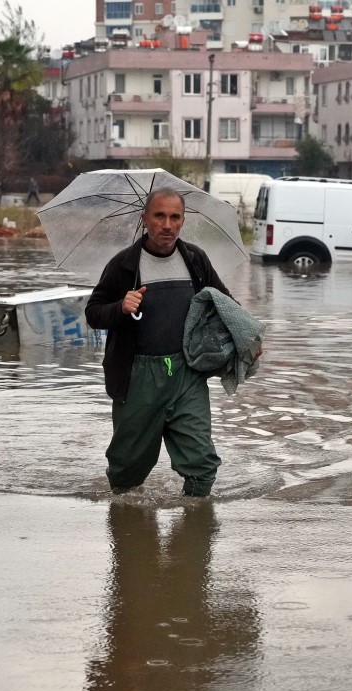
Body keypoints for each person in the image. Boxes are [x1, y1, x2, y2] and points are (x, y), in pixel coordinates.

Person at [85, 188, 232, 498]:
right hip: (137, 376)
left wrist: (247, 340)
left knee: (202, 464)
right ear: (145, 219)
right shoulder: (124, 265)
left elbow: (225, 305)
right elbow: (93, 313)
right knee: (127, 471)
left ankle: (193, 533)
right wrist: (120, 308)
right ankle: (130, 531)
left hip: (187, 374)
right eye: (160, 216)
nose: (167, 224)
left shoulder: (195, 259)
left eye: (175, 217)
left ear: (183, 220)